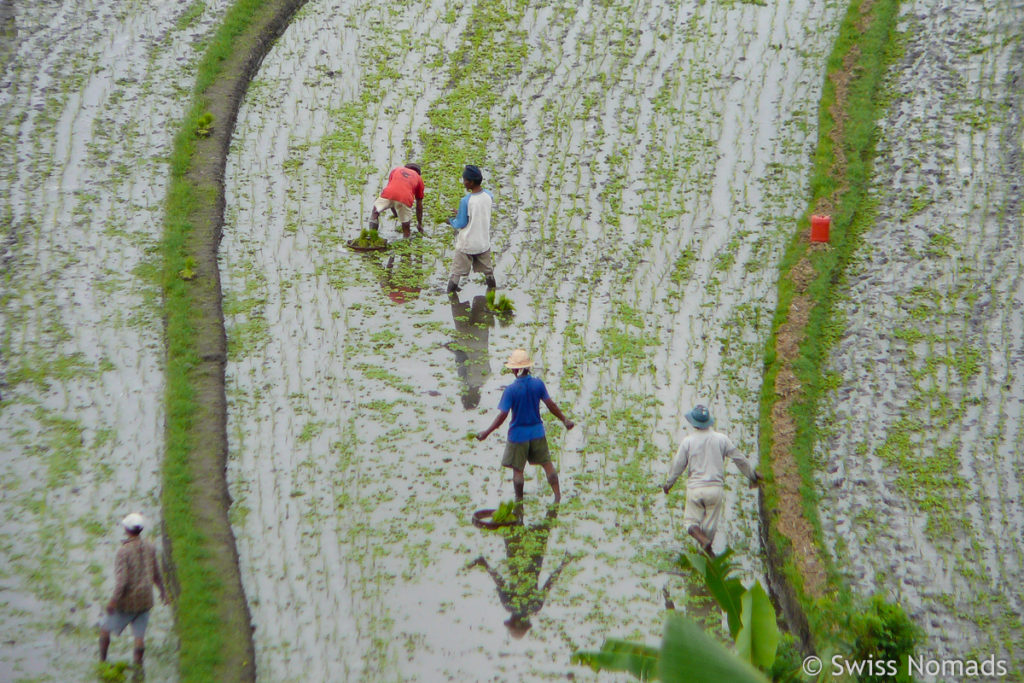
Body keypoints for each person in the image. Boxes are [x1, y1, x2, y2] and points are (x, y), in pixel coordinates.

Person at [661, 405, 761, 556]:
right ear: (708, 422)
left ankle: (703, 543)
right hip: (715, 490)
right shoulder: (722, 439)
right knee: (709, 530)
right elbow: (739, 459)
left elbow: (678, 465)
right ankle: (707, 552)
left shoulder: (688, 441)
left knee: (690, 523)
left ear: (693, 423)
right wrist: (752, 475)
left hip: (695, 488)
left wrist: (669, 484)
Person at [478, 349, 574, 502]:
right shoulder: (538, 384)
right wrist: (565, 419)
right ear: (528, 367)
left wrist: (487, 432)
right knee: (547, 465)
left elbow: (502, 416)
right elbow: (551, 405)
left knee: (518, 471)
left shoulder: (510, 390)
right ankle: (557, 496)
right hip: (537, 433)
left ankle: (519, 502)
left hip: (518, 436)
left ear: (515, 370)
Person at [468, 505, 572, 637]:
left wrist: (563, 565)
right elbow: (499, 582)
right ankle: (528, 498)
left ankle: (554, 500)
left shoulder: (534, 606)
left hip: (534, 558)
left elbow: (549, 582)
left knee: (544, 523)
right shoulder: (510, 605)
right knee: (516, 519)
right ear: (513, 620)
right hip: (518, 557)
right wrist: (486, 564)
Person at [99, 513, 168, 669]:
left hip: (127, 601)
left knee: (104, 628)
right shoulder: (150, 546)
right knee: (139, 637)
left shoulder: (123, 552)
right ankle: (138, 669)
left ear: (126, 530)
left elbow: (122, 581)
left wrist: (113, 601)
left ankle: (102, 662)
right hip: (146, 600)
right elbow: (156, 573)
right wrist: (163, 592)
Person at [447, 164, 496, 293]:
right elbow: (478, 211)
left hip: (467, 244)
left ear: (472, 182)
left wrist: (450, 220)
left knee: (456, 273)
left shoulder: (466, 201)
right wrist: (462, 212)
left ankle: (451, 294)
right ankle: (492, 291)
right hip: (483, 243)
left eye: (465, 180)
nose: (464, 183)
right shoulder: (489, 195)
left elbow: (461, 223)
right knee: (488, 272)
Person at [369, 163, 424, 239]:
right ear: (418, 172)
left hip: (388, 194)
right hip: (405, 199)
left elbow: (393, 192)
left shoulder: (396, 170)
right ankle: (406, 240)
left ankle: (371, 236)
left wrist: (395, 214)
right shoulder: (418, 178)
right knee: (406, 224)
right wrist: (419, 224)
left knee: (375, 213)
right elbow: (419, 204)